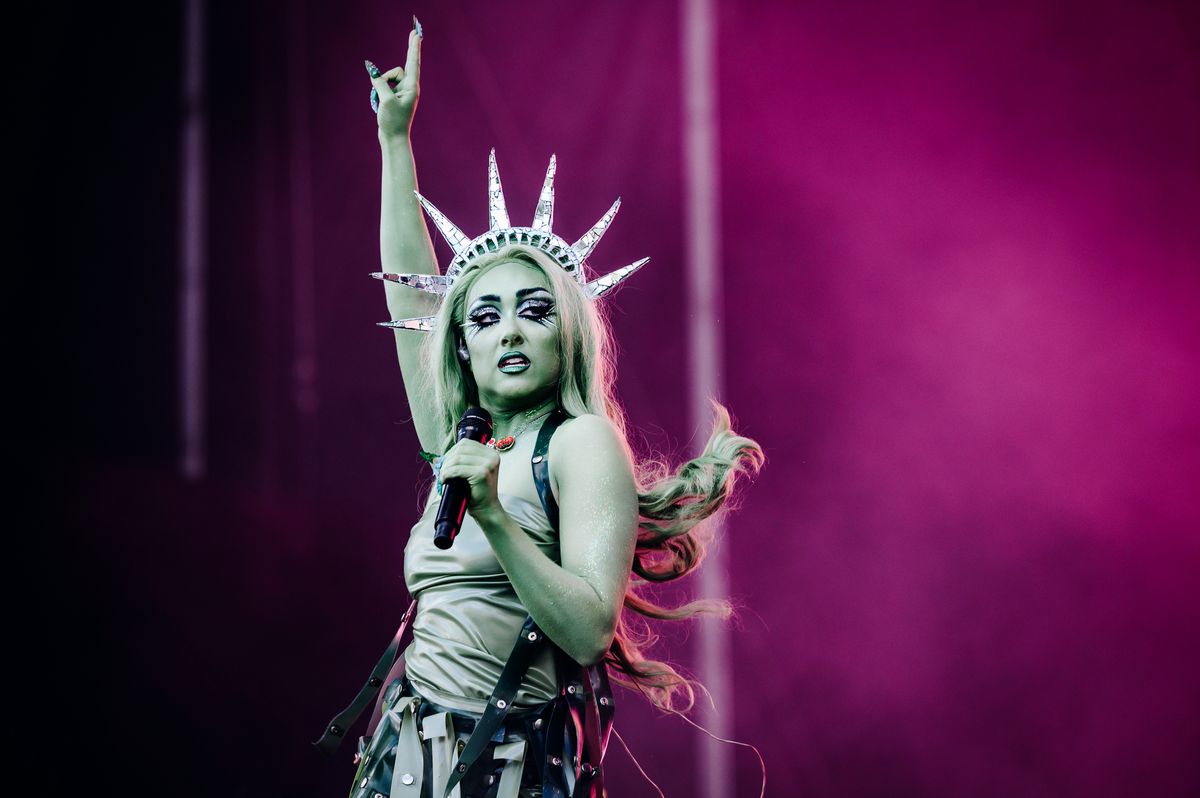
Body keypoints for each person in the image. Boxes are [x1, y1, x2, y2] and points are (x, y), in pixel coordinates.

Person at [327, 17, 764, 798]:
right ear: (460, 347)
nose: (510, 331)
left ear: (568, 332)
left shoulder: (579, 443)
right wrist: (396, 141)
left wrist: (494, 513)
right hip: (406, 760)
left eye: (532, 309)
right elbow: (407, 288)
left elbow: (589, 628)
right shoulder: (456, 438)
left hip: (512, 773)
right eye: (484, 318)